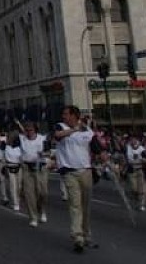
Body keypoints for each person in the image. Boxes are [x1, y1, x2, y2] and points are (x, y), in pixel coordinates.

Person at [54, 105, 101, 253]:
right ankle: (77, 237)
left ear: (74, 115)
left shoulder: (87, 130)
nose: (64, 116)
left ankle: (86, 235)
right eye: (63, 114)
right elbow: (57, 135)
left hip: (85, 171)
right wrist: (74, 130)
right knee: (75, 204)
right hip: (69, 172)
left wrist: (103, 155)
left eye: (66, 114)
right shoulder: (60, 126)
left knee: (85, 205)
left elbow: (95, 146)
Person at [18, 122, 49, 226]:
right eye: (27, 130)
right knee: (29, 194)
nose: (28, 132)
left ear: (35, 130)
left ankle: (42, 209)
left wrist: (43, 153)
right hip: (27, 168)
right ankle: (33, 217)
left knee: (42, 192)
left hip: (40, 168)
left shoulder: (42, 139)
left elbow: (49, 152)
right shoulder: (22, 139)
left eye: (30, 130)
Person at [124, 134, 146, 212]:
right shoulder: (127, 148)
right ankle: (136, 200)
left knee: (141, 189)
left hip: (140, 170)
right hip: (132, 170)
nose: (133, 141)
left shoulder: (141, 149)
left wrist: (144, 160)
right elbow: (127, 159)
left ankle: (141, 205)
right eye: (131, 139)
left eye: (134, 139)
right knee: (134, 188)